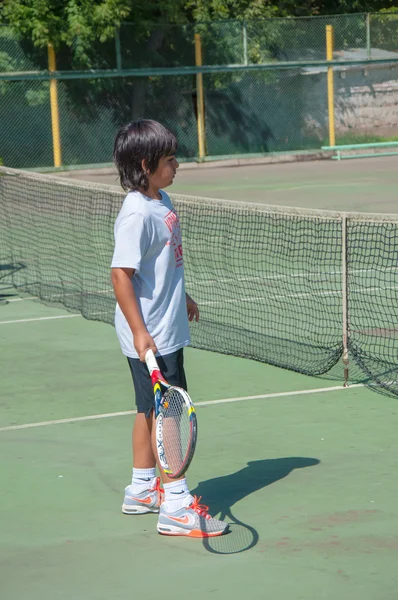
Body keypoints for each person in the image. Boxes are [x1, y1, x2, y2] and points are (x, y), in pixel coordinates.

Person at [111, 119, 228, 538]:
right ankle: (176, 504)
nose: (178, 165)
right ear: (147, 163)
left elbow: (161, 267)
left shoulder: (161, 200)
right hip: (153, 337)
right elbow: (121, 275)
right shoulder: (137, 214)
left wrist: (184, 296)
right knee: (171, 415)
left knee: (149, 409)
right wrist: (142, 334)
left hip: (162, 325)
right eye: (171, 159)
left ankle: (142, 489)